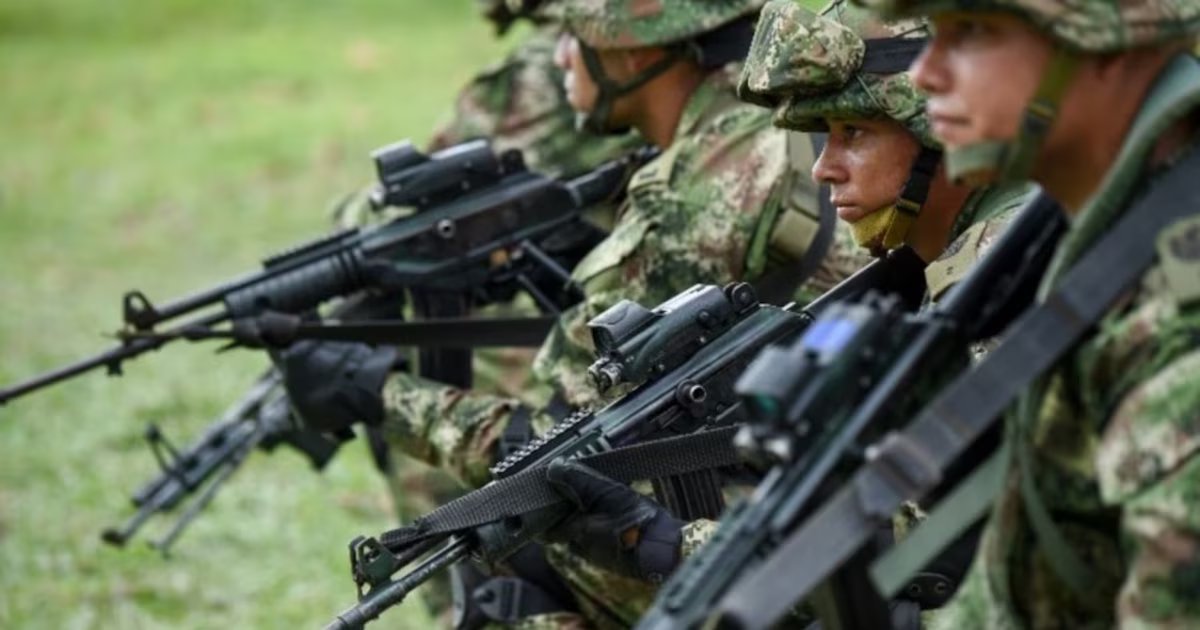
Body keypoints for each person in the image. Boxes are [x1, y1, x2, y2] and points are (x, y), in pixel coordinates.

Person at [280, 0, 869, 625]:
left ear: (635, 50)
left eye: (572, 35)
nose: (559, 57)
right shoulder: (761, 126)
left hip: (801, 535)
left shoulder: (686, 195)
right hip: (834, 481)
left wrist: (376, 392)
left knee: (522, 553)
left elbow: (559, 450)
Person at [542, 2, 1037, 626]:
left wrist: (668, 544)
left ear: (941, 127)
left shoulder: (1007, 274)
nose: (826, 167)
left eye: (853, 133)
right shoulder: (943, 262)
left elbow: (934, 539)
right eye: (824, 135)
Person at [849, 0, 1200, 625]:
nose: (926, 73)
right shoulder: (1103, 248)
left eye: (973, 33)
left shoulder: (1176, 324)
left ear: (1107, 46)